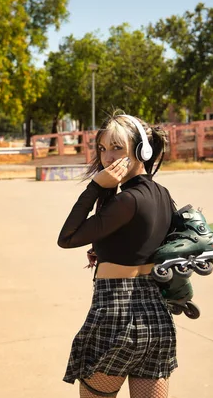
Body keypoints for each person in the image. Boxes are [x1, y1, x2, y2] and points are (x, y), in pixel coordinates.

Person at [58, 112, 178, 398]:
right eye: (102, 149)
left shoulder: (126, 200)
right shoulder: (161, 193)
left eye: (116, 148)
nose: (108, 158)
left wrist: (96, 186)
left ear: (141, 151)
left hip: (116, 313)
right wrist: (102, 247)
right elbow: (144, 240)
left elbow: (67, 238)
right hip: (157, 318)